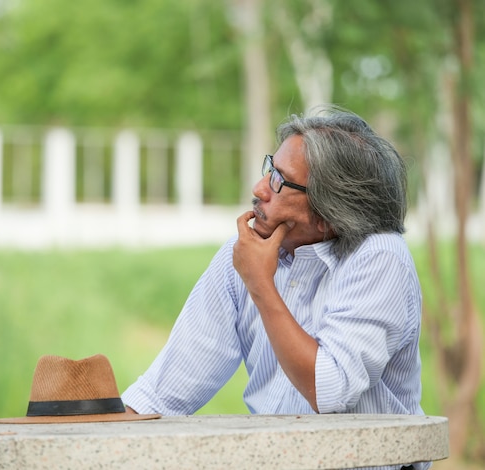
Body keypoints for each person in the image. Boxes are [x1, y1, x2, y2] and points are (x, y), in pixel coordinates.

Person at [122, 106, 427, 470]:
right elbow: (164, 393)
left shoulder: (380, 257)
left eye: (280, 181)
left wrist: (260, 284)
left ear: (329, 209)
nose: (259, 188)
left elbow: (328, 389)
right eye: (270, 169)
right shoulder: (243, 256)